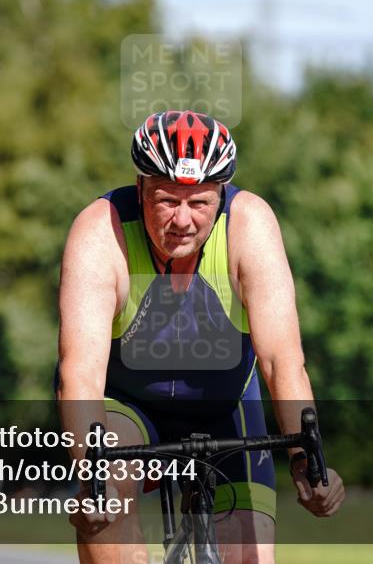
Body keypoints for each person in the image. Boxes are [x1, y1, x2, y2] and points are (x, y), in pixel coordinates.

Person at [57, 110, 345, 564]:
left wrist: (306, 457)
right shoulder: (100, 230)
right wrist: (92, 479)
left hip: (226, 407)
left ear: (222, 195)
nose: (183, 221)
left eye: (200, 203)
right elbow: (80, 372)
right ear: (140, 189)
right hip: (129, 407)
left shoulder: (249, 225)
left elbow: (281, 362)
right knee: (107, 498)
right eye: (167, 200)